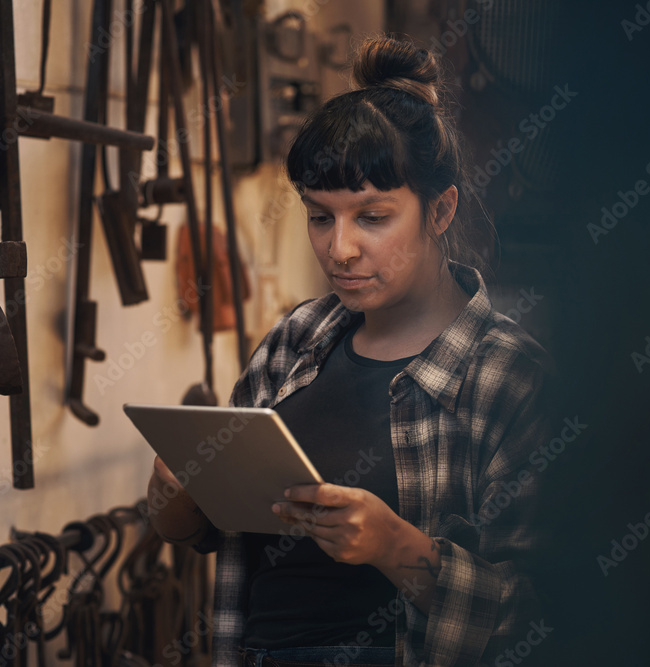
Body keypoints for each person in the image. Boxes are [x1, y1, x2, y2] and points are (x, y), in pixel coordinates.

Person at [147, 35, 556, 667]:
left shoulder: (507, 374)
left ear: (440, 210)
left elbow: (538, 617)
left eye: (371, 216)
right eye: (320, 217)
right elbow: (198, 534)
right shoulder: (293, 343)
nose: (340, 249)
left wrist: (396, 545)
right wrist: (174, 493)